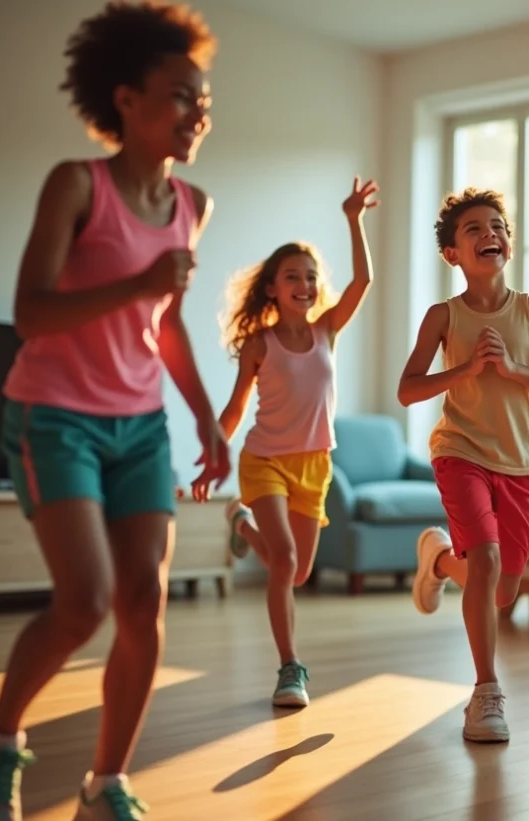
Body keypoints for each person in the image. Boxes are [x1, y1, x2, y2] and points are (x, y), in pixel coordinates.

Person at [0, 4, 227, 820]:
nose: (197, 112)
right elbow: (31, 313)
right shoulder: (77, 184)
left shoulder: (192, 203)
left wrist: (208, 419)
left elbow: (168, 322)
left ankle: (105, 783)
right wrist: (140, 286)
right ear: (126, 99)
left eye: (203, 99)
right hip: (55, 415)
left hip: (141, 422)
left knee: (144, 602)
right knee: (84, 601)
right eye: (180, 95)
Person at [192, 178, 379, 707]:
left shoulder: (326, 332)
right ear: (272, 288)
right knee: (286, 560)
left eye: (311, 277)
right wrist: (212, 457)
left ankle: (240, 525)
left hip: (314, 464)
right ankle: (290, 669)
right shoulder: (260, 343)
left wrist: (353, 218)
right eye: (292, 276)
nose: (305, 283)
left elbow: (363, 279)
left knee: (294, 572)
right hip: (264, 461)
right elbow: (233, 410)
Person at [399, 188, 529, 742]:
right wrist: (467, 369)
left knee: (500, 589)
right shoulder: (442, 316)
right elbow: (408, 390)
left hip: (519, 462)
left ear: (508, 243)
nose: (488, 234)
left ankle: (440, 562)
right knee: (491, 558)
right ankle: (485, 694)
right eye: (472, 229)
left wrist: (515, 367)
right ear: (452, 253)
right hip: (461, 451)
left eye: (496, 226)